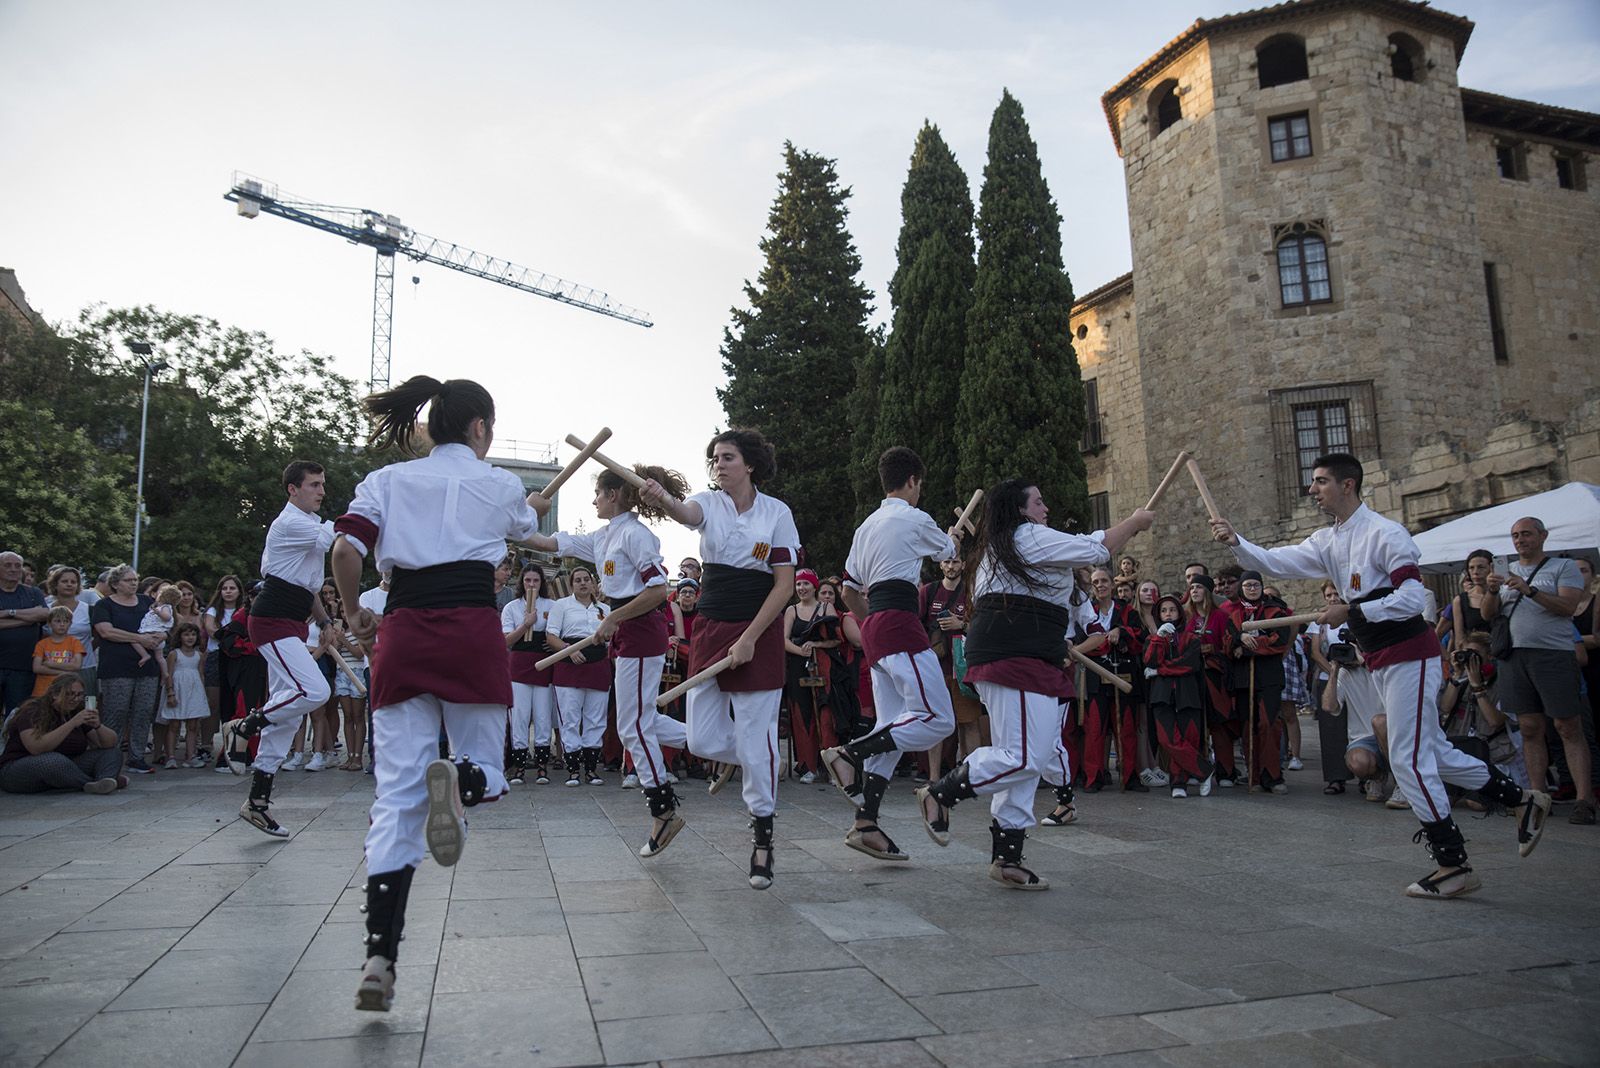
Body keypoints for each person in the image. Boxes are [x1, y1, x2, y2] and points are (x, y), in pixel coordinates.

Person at [1212, 452, 1552, 898]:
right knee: (1433, 751)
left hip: (1412, 656)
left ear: (1348, 485)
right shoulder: (1326, 540)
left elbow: (1413, 598)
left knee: (1409, 759)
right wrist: (1236, 540)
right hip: (1382, 661)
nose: (1312, 490)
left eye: (1320, 482)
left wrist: (1352, 610)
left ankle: (1453, 864)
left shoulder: (1386, 534)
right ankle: (1523, 800)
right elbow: (1275, 562)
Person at [331, 375, 543, 1011]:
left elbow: (346, 548)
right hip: (472, 630)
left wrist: (352, 612)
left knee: (395, 798)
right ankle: (465, 780)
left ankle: (379, 957)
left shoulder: (388, 481)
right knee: (495, 774)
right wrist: (520, 508)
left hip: (404, 631)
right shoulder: (501, 483)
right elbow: (526, 527)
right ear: (479, 428)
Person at [915, 479, 1154, 890]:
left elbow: (1075, 561)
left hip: (1022, 655)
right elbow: (1097, 548)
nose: (1045, 508)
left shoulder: (1010, 545)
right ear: (1022, 510)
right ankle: (942, 793)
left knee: (1024, 758)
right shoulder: (1026, 537)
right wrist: (1133, 522)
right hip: (1014, 655)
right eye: (1039, 502)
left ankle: (1007, 857)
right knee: (1026, 757)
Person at [640, 428, 799, 891]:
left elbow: (784, 586)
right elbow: (683, 512)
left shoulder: (777, 513)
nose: (719, 464)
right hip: (711, 627)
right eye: (714, 459)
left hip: (759, 631)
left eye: (727, 457)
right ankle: (757, 757)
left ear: (748, 463)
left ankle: (763, 843)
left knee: (757, 732)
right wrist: (662, 496)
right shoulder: (708, 503)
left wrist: (751, 637)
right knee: (705, 738)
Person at [523, 464, 691, 857]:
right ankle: (720, 744)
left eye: (598, 493)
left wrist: (614, 617)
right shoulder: (603, 537)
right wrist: (526, 511)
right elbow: (542, 543)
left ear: (614, 495)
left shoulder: (635, 534)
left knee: (632, 725)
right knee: (642, 720)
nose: (594, 500)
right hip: (626, 630)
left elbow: (656, 591)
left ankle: (662, 809)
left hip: (641, 630)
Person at [820, 447, 961, 863]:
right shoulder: (915, 518)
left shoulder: (866, 526)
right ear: (913, 481)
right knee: (939, 719)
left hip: (877, 626)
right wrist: (953, 535)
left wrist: (871, 627)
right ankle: (849, 753)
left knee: (893, 729)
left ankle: (866, 823)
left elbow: (848, 589)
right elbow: (946, 552)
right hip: (899, 622)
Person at [232, 461, 338, 837]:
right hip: (271, 621)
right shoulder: (291, 524)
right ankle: (246, 725)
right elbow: (334, 537)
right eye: (313, 485)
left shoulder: (308, 527)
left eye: (323, 484)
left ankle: (257, 802)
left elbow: (309, 587)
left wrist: (325, 623)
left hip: (293, 622)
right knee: (314, 691)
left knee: (290, 714)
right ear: (292, 489)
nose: (321, 491)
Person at [1481, 519, 1593, 825]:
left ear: (1543, 536)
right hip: (1513, 657)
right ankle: (1536, 796)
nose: (1520, 540)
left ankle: (1584, 799)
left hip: (1553, 656)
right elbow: (1488, 615)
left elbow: (1567, 607)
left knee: (1567, 726)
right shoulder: (1506, 571)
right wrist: (1491, 591)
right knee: (1529, 728)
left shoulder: (1562, 567)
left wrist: (1529, 591)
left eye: (1526, 534)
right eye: (1515, 535)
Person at [1220, 572, 1291, 794]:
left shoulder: (1274, 611)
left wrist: (1252, 644)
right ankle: (1255, 774)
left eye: (1256, 585)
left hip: (1269, 677)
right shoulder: (1234, 614)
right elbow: (1227, 641)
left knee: (1268, 724)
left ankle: (1273, 775)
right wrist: (1239, 639)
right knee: (1248, 727)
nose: (1252, 589)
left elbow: (1279, 640)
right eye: (1248, 585)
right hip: (1244, 678)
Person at [1078, 566, 1147, 793]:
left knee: (1126, 728)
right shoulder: (1087, 610)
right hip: (1097, 676)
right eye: (1095, 582)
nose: (1099, 585)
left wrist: (1122, 631)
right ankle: (1094, 777)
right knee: (1095, 729)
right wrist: (1107, 639)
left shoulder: (1127, 610)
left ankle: (1130, 777)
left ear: (1112, 584)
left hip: (1124, 674)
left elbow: (1139, 636)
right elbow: (1084, 643)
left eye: (1103, 581)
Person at [90, 565, 163, 773]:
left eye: (135, 579)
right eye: (128, 580)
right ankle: (109, 756)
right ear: (115, 584)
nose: (133, 583)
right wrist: (139, 638)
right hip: (117, 667)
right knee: (116, 712)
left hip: (147, 667)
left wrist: (160, 636)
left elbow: (164, 624)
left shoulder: (147, 602)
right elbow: (106, 632)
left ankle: (136, 756)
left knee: (143, 712)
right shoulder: (104, 605)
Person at [544, 566, 611, 787]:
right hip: (569, 664)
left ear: (593, 583)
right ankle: (573, 770)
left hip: (598, 666)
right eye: (577, 580)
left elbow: (611, 639)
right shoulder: (561, 606)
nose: (582, 583)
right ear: (572, 584)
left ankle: (591, 770)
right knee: (570, 718)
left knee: (595, 719)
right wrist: (569, 650)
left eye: (586, 579)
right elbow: (551, 635)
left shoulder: (605, 609)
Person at [0, 674, 123, 794]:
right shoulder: (33, 710)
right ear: (54, 694)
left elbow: (109, 743)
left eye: (79, 695)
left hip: (66, 767)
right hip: (19, 769)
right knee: (52, 761)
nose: (75, 699)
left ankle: (102, 779)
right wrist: (72, 723)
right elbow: (35, 748)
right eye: (69, 694)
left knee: (112, 753)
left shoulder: (76, 711)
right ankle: (94, 783)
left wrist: (98, 726)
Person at [1144, 593, 1214, 797]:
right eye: (1164, 610)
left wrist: (1161, 671)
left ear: (1179, 613)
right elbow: (1150, 662)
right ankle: (1204, 770)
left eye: (1172, 610)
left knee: (1188, 737)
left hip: (1188, 694)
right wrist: (1159, 639)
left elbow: (1189, 665)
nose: (1168, 614)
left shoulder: (1192, 638)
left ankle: (1178, 782)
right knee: (1167, 739)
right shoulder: (1152, 638)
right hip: (1162, 695)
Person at [920, 555, 983, 773]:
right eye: (947, 561)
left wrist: (961, 624)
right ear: (940, 564)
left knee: (969, 722)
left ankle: (972, 777)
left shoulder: (972, 592)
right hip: (935, 669)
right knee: (935, 725)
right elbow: (916, 625)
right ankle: (934, 778)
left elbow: (984, 625)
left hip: (964, 670)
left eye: (956, 561)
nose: (951, 566)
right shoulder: (928, 592)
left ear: (964, 564)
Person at [783, 568, 843, 784]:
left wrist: (816, 644)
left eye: (806, 584)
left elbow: (837, 639)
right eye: (798, 584)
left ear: (814, 586)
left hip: (824, 666)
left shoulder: (826, 607)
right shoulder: (791, 610)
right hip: (798, 666)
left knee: (827, 716)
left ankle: (832, 767)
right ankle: (808, 765)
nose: (802, 588)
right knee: (802, 714)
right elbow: (784, 639)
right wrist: (801, 651)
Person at [501, 564, 556, 784]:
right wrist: (525, 625)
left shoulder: (552, 606)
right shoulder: (511, 608)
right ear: (521, 582)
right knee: (520, 716)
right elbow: (506, 641)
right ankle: (519, 767)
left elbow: (555, 634)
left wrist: (553, 645)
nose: (531, 584)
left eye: (535, 580)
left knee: (543, 715)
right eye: (527, 580)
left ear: (541, 583)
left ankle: (542, 766)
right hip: (519, 664)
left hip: (543, 664)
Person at [1305, 581, 1353, 794]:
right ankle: (1336, 777)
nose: (1333, 598)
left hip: (1357, 676)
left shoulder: (1353, 618)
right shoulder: (1319, 621)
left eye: (1336, 594)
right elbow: (1316, 652)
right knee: (1331, 729)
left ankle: (1368, 776)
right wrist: (1334, 672)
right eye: (1328, 595)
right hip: (1329, 676)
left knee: (1359, 725)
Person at [1, 551, 50, 714]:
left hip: (23, 666)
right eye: (7, 565)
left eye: (18, 565)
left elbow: (44, 614)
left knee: (17, 714)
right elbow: (36, 616)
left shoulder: (33, 593)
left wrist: (9, 612)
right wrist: (28, 618)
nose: (13, 569)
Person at [162, 623, 210, 767]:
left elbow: (201, 674)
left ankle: (191, 755)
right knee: (174, 725)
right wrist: (170, 692)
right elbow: (168, 674)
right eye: (186, 634)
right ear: (180, 637)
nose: (190, 638)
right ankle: (170, 756)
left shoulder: (199, 655)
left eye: (193, 635)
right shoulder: (174, 654)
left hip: (194, 692)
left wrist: (203, 694)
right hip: (178, 691)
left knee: (193, 725)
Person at [45, 568, 97, 699]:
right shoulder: (46, 609)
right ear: (55, 584)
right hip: (52, 667)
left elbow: (99, 635)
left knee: (85, 704)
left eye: (73, 582)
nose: (69, 584)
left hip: (84, 667)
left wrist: (85, 649)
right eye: (64, 581)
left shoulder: (89, 610)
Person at [31, 606, 85, 697]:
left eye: (66, 621)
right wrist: (65, 672)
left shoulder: (75, 642)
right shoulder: (42, 644)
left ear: (70, 623)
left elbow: (76, 666)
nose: (62, 624)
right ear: (49, 623)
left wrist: (51, 664)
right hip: (43, 691)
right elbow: (37, 668)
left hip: (66, 691)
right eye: (58, 621)